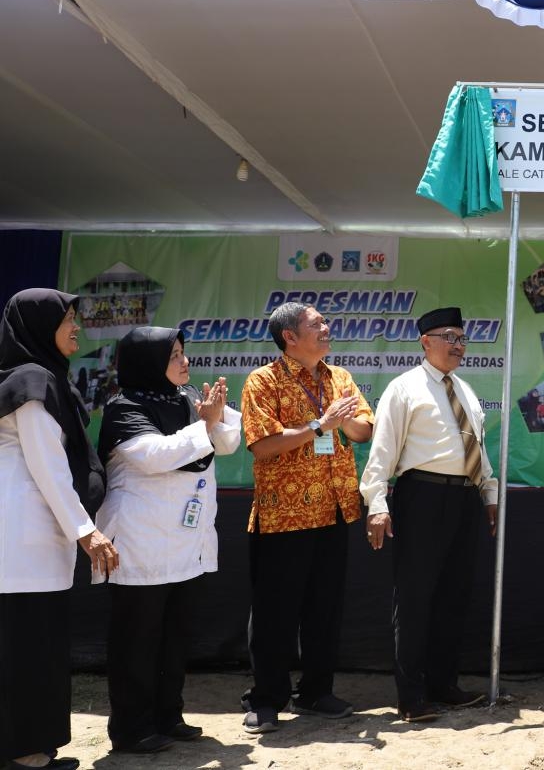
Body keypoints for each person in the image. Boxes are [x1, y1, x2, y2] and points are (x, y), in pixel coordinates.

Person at [93, 327, 241, 753]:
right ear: (148, 361)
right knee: (137, 641)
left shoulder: (185, 399)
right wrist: (206, 423)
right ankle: (132, 729)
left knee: (175, 637)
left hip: (185, 544)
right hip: (141, 542)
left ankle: (167, 715)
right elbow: (155, 457)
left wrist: (216, 417)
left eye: (184, 353)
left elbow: (228, 442)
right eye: (174, 355)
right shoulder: (124, 406)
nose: (184, 362)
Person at [238, 302, 374, 734]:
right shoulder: (263, 381)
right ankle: (266, 698)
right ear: (290, 338)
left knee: (325, 609)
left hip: (333, 508)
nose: (326, 329)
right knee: (276, 612)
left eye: (324, 323)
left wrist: (343, 422)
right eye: (316, 325)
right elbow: (261, 445)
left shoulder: (340, 378)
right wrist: (321, 425)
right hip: (284, 516)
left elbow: (364, 429)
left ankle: (316, 691)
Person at [361, 307, 499, 722]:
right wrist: (377, 505)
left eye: (462, 338)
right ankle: (412, 696)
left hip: (464, 499)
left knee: (454, 595)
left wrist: (489, 496)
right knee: (416, 597)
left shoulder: (467, 391)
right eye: (449, 337)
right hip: (421, 496)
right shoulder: (404, 389)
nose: (458, 346)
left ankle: (445, 685)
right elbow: (382, 451)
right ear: (425, 342)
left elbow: (478, 450)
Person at [0, 289, 118, 770]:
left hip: (35, 534)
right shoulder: (30, 380)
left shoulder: (44, 378)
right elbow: (47, 464)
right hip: (21, 535)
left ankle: (30, 746)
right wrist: (86, 531)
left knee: (35, 641)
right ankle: (25, 751)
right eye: (67, 319)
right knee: (27, 645)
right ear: (36, 326)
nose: (76, 328)